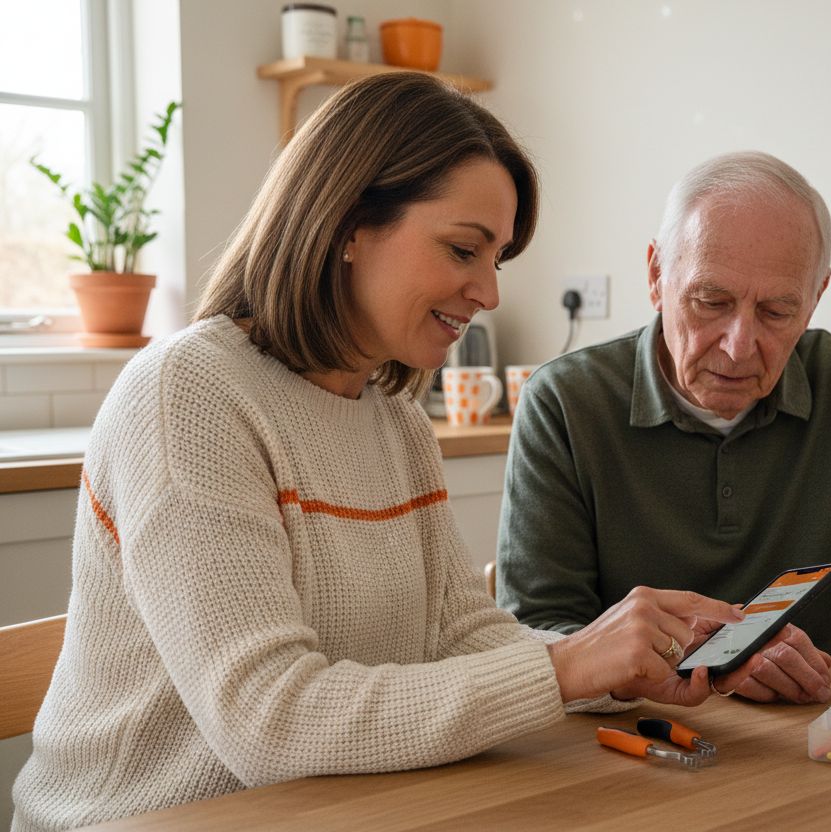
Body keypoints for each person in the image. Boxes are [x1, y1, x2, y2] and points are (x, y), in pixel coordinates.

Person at [11, 74, 755, 832]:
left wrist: (625, 667)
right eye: (464, 248)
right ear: (348, 223)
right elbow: (268, 720)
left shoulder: (392, 415)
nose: (489, 293)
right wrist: (565, 668)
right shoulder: (188, 395)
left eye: (496, 258)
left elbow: (460, 633)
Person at [498, 151, 831, 709]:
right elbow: (537, 637)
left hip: (805, 744)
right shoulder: (564, 401)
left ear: (815, 299)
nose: (738, 346)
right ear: (657, 276)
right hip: (626, 743)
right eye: (712, 302)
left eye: (777, 311)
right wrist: (702, 661)